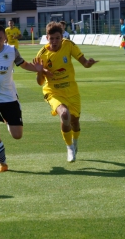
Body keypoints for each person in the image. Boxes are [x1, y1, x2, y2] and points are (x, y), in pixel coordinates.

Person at [0, 24, 45, 173]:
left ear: (5, 38)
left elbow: (23, 64)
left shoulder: (11, 51)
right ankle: (2, 163)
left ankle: (5, 118)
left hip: (9, 98)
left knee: (17, 135)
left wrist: (36, 69)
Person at [35, 22, 98, 162]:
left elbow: (84, 63)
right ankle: (69, 147)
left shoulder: (68, 45)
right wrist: (39, 72)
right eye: (51, 38)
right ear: (47, 38)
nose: (55, 41)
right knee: (64, 114)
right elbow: (40, 82)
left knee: (75, 122)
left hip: (71, 90)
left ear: (62, 37)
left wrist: (89, 63)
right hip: (53, 91)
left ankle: (75, 142)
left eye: (57, 38)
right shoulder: (42, 55)